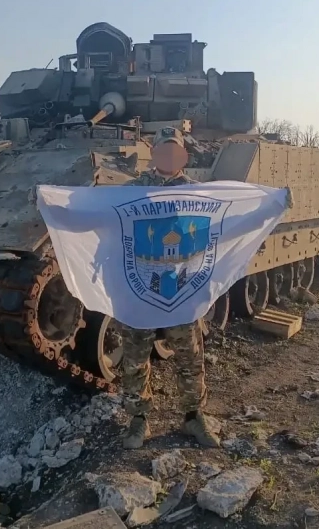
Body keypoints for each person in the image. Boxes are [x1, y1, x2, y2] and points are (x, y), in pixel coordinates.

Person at [118, 126, 221, 449]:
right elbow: (93, 210)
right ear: (154, 153)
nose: (168, 155)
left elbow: (231, 215)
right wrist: (49, 201)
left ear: (183, 155)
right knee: (135, 359)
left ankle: (193, 416)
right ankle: (138, 419)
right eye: (163, 149)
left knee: (190, 356)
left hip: (181, 288)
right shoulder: (131, 190)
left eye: (174, 150)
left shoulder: (197, 193)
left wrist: (273, 203)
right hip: (141, 288)